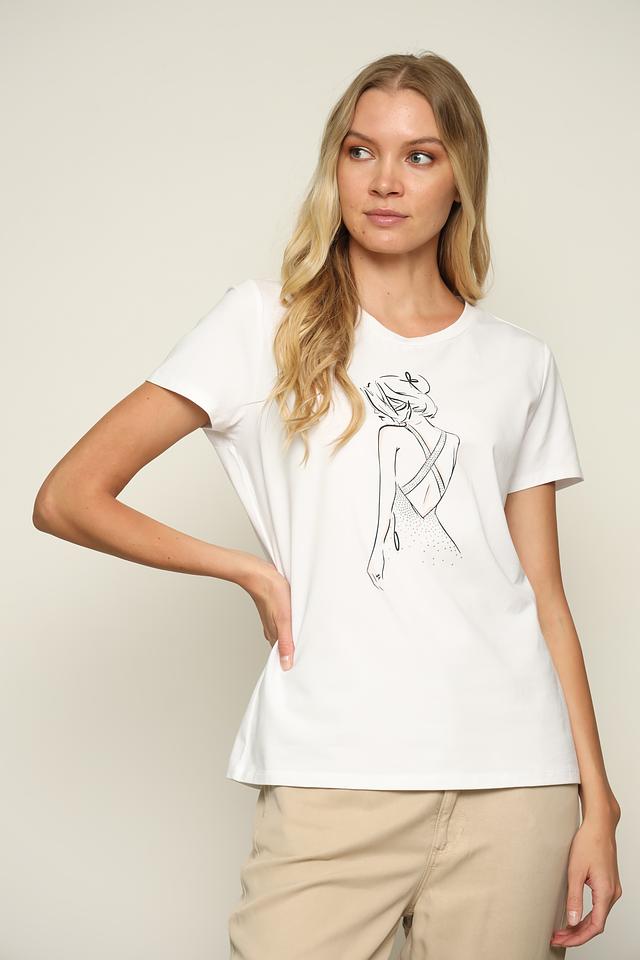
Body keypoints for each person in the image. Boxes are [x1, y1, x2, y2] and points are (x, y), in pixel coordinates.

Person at [32, 51, 622, 959]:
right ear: (335, 167)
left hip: (516, 783)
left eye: (420, 156)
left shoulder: (519, 363)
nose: (386, 181)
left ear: (461, 178)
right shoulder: (261, 324)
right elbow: (69, 497)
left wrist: (598, 802)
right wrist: (245, 570)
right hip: (334, 772)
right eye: (360, 151)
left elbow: (544, 595)